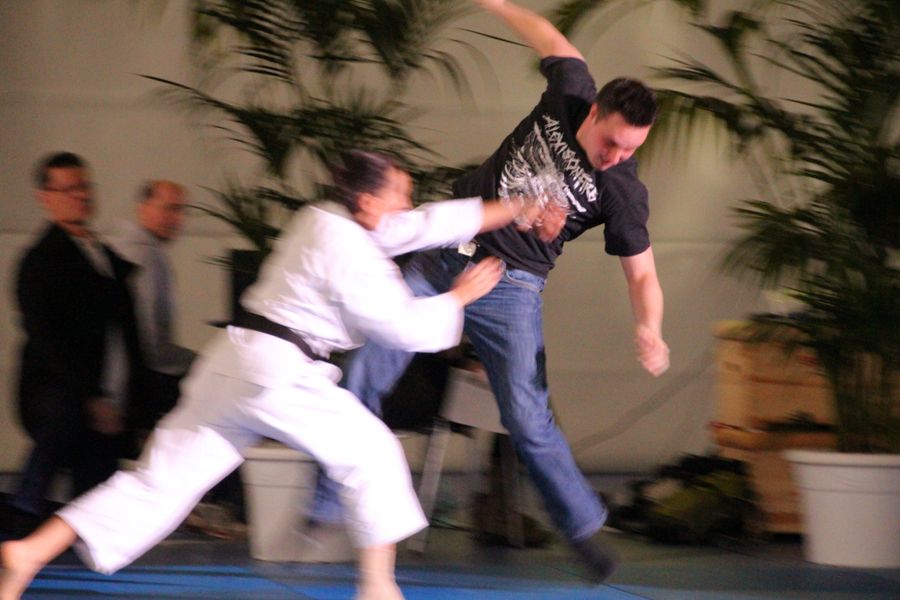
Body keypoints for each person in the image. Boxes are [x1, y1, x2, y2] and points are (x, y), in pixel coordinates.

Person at [0, 150, 546, 600]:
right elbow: (401, 326)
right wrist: (458, 297)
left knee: (158, 484)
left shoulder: (324, 217)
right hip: (279, 373)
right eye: (399, 194)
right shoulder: (348, 247)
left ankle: (31, 551)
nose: (406, 204)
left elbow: (423, 223)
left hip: (232, 367)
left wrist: (517, 208)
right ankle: (378, 588)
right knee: (373, 451)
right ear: (367, 201)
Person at [314, 0, 671, 583]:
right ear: (595, 111)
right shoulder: (570, 93)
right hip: (446, 251)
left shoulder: (622, 190)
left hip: (512, 288)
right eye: (612, 143)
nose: (616, 158)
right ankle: (331, 494)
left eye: (631, 150)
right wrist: (498, 4)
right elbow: (549, 36)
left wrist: (649, 327)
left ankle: (582, 528)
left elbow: (643, 274)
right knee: (370, 361)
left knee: (527, 416)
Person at [5, 152, 147, 535]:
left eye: (84, 186)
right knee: (64, 433)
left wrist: (130, 400)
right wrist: (91, 397)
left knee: (93, 496)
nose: (80, 196)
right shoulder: (40, 262)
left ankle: (55, 526)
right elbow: (46, 340)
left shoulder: (103, 255)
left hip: (105, 395)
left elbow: (128, 333)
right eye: (68, 189)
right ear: (45, 197)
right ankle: (25, 513)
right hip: (62, 394)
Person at [109, 180, 195, 431]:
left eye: (181, 210)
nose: (177, 219)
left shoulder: (124, 247)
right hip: (136, 380)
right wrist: (197, 362)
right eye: (169, 209)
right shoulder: (145, 255)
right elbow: (148, 339)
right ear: (142, 208)